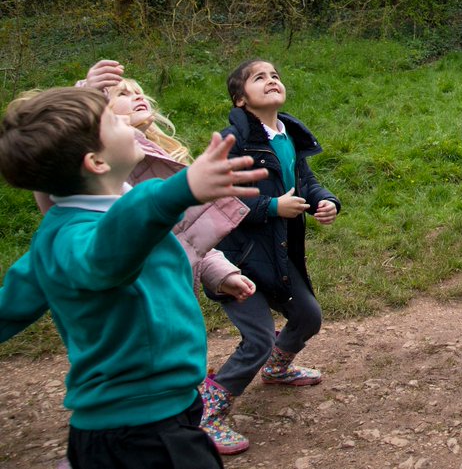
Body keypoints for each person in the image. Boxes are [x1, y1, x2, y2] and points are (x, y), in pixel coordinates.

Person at [0, 87, 265, 469]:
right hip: (140, 428)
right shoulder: (79, 238)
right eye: (113, 119)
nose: (125, 119)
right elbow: (107, 252)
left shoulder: (65, 232)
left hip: (157, 411)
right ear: (96, 162)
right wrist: (176, 191)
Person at [205, 59, 341, 454]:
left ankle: (277, 371)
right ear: (240, 98)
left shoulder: (288, 136)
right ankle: (209, 413)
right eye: (258, 77)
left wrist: (325, 202)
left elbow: (305, 181)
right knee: (259, 338)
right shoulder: (234, 140)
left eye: (276, 75)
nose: (271, 80)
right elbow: (220, 198)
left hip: (279, 256)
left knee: (308, 317)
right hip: (236, 260)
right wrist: (270, 208)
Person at [35, 61, 255, 301]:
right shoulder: (104, 165)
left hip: (172, 296)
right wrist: (86, 95)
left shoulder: (157, 158)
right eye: (123, 94)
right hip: (134, 302)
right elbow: (55, 156)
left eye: (139, 94)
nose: (138, 98)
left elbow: (183, 234)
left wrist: (221, 273)